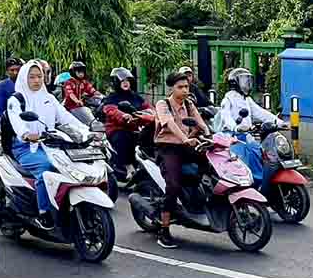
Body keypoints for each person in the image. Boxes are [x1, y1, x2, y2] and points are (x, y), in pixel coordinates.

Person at [5, 60, 90, 229]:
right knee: (46, 169)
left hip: (51, 144)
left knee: (71, 164)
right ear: (24, 78)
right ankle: (43, 212)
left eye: (39, 76)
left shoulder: (49, 98)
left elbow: (66, 117)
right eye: (32, 77)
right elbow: (16, 121)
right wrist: (27, 134)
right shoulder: (16, 100)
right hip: (25, 147)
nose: (36, 80)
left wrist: (86, 130)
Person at [154, 72, 210, 249]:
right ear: (172, 88)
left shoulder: (189, 103)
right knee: (173, 185)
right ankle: (164, 230)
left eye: (186, 86)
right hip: (167, 147)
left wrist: (208, 135)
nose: (185, 90)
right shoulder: (163, 104)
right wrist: (184, 139)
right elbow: (170, 124)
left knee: (210, 162)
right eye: (180, 87)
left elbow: (200, 122)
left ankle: (198, 198)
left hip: (186, 145)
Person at [216, 68, 285, 193]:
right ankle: (247, 187)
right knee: (242, 161)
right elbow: (226, 117)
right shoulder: (228, 99)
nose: (247, 83)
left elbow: (261, 113)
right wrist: (235, 127)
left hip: (245, 135)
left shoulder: (246, 99)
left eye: (248, 80)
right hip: (231, 136)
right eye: (244, 80)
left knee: (259, 152)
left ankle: (260, 183)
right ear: (234, 82)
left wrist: (278, 122)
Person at [101, 68, 153, 179]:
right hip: (117, 128)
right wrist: (123, 116)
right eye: (122, 80)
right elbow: (111, 110)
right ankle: (128, 167)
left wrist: (154, 114)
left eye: (127, 80)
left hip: (135, 127)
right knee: (123, 137)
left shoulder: (136, 97)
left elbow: (148, 108)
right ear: (116, 82)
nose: (125, 83)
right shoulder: (112, 98)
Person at [0, 57, 24, 122]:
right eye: (12, 70)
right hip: (10, 121)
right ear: (7, 72)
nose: (15, 72)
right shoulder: (2, 86)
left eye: (18, 69)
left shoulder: (28, 83)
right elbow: (1, 110)